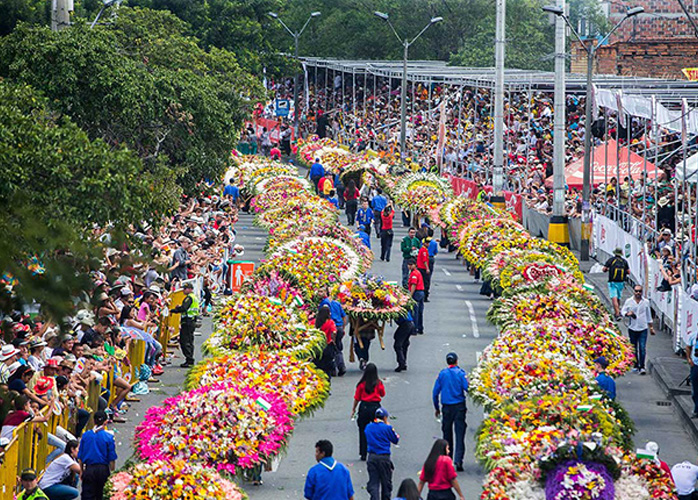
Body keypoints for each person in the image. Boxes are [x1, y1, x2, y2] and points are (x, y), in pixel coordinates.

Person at [432, 353, 468, 471]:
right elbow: (467, 387)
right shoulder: (461, 374)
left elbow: (435, 392)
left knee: (447, 434)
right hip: (459, 407)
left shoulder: (442, 374)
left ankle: (448, 459)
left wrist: (437, 407)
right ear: (456, 361)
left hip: (446, 408)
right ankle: (459, 460)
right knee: (459, 434)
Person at [78, 411, 117, 500]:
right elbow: (111, 457)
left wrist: (81, 471)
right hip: (103, 469)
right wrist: (112, 471)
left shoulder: (86, 435)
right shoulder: (108, 437)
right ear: (105, 421)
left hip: (89, 469)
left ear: (94, 421)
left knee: (87, 495)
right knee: (102, 494)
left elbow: (80, 456)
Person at [351, 363, 385, 461]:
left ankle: (363, 453)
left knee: (363, 430)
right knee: (377, 430)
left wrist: (353, 409)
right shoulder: (378, 383)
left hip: (364, 407)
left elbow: (357, 398)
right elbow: (382, 394)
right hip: (375, 408)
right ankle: (377, 450)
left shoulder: (361, 384)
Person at [365, 408, 399, 500]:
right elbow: (395, 439)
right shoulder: (387, 428)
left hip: (372, 456)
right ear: (384, 417)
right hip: (384, 457)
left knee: (374, 483)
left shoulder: (368, 427)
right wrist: (389, 426)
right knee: (386, 483)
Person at [621, 285, 654, 375]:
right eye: (636, 291)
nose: (638, 293)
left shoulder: (646, 302)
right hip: (632, 327)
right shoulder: (629, 301)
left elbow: (648, 315)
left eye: (639, 291)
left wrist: (651, 327)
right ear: (634, 291)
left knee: (642, 348)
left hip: (643, 327)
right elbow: (623, 311)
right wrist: (628, 314)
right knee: (634, 347)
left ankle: (642, 366)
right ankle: (636, 365)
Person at [169, 282, 199, 367]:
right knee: (189, 340)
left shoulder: (189, 298)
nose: (183, 290)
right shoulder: (193, 297)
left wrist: (174, 310)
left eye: (185, 289)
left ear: (190, 289)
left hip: (188, 321)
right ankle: (189, 359)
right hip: (191, 321)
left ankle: (189, 359)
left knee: (185, 341)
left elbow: (184, 308)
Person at [320, 290, 347, 376]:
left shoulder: (324, 303)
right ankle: (341, 366)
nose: (319, 293)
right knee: (338, 348)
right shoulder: (337, 303)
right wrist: (343, 328)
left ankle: (333, 369)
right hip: (339, 328)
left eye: (321, 292)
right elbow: (344, 316)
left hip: (331, 328)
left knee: (331, 348)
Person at [602, 248, 629, 321]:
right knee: (618, 298)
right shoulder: (624, 262)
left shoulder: (611, 260)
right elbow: (628, 272)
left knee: (614, 298)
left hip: (612, 282)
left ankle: (617, 314)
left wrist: (609, 269)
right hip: (621, 282)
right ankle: (618, 310)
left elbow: (604, 269)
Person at [315, 305, 337, 378]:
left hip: (319, 346)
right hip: (327, 345)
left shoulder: (316, 322)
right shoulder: (330, 322)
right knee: (327, 367)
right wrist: (333, 340)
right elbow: (334, 332)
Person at [408, 259, 425, 335]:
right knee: (420, 311)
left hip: (417, 293)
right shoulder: (417, 272)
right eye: (409, 265)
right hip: (421, 293)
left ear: (415, 265)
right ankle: (420, 328)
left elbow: (413, 285)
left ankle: (414, 329)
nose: (409, 266)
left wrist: (410, 295)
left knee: (415, 312)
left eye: (411, 265)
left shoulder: (414, 274)